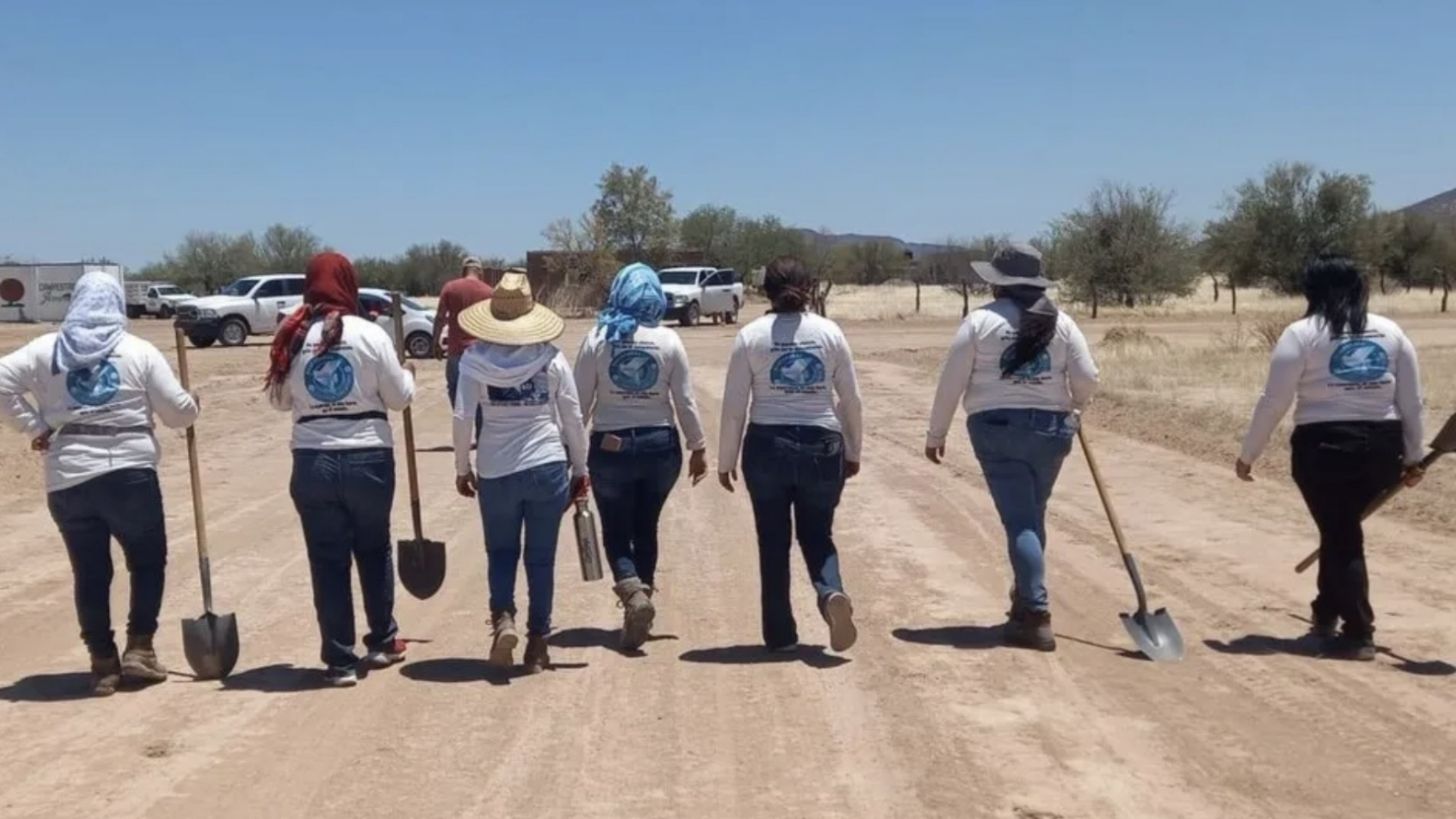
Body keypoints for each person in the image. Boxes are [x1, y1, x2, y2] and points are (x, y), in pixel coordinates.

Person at [0, 272, 199, 695]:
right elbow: (177, 414)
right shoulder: (137, 350)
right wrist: (192, 404)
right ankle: (140, 648)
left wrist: (35, 426)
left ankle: (103, 662)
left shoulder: (46, 349)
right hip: (129, 474)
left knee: (90, 571)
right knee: (147, 561)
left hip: (68, 476)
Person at [1237, 255, 1424, 661]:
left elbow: (1274, 401)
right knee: (1338, 529)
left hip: (1323, 448)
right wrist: (1414, 456)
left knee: (1341, 535)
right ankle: (1325, 613)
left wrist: (1249, 453)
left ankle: (1358, 633)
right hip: (1383, 448)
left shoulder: (1301, 334)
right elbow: (1412, 401)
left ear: (1312, 290)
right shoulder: (1391, 331)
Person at [924, 242, 1098, 652]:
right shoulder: (1063, 322)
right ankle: (1023, 602)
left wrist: (936, 434)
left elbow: (951, 382)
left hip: (996, 429)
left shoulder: (980, 322)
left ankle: (1036, 613)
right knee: (1032, 514)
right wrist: (1077, 406)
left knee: (1020, 520)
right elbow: (1087, 377)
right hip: (1052, 430)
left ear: (997, 282)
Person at [267, 252, 416, 686]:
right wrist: (407, 374)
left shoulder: (294, 335)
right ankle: (383, 640)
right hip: (368, 458)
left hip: (313, 460)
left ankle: (340, 661)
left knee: (327, 560)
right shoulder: (370, 334)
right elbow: (399, 398)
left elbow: (278, 401)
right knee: (374, 548)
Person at [718, 256, 863, 654]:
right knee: (818, 534)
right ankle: (830, 591)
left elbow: (734, 407)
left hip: (767, 445)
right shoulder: (830, 333)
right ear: (810, 287)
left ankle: (781, 635)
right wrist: (853, 449)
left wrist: (726, 460)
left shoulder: (750, 336)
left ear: (764, 290)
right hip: (823, 443)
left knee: (773, 541)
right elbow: (850, 399)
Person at [453, 271, 589, 673]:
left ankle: (503, 620)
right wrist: (580, 467)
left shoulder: (474, 361)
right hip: (546, 465)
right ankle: (538, 643)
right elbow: (573, 417)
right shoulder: (551, 358)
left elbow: (463, 418)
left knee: (500, 552)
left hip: (496, 469)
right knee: (541, 558)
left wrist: (462, 467)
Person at [575, 263, 708, 650]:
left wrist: (571, 452)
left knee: (616, 529)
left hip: (610, 447)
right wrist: (698, 446)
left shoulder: (598, 337)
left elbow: (578, 403)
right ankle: (642, 596)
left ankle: (634, 594)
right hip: (659, 446)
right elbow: (684, 401)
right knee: (646, 526)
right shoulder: (669, 340)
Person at [434, 256, 494, 438]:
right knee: (482, 396)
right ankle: (481, 435)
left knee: (455, 390)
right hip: (481, 353)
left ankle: (462, 432)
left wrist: (435, 342)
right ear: (480, 272)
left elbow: (440, 317)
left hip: (456, 351)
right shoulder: (489, 292)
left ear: (463, 270)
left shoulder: (450, 288)